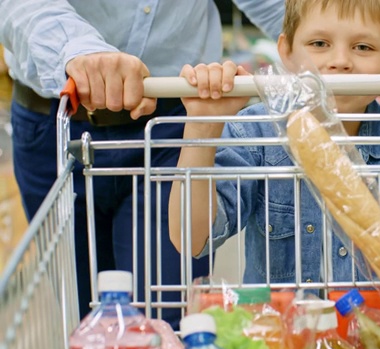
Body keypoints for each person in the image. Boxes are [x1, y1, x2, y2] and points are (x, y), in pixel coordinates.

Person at [0, 0, 285, 326]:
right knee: (86, 323)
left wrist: (335, 54)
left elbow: (281, 8)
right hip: (57, 121)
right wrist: (79, 50)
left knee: (166, 322)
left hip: (174, 126)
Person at [168, 0, 380, 285]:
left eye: (363, 47)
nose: (340, 61)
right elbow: (192, 239)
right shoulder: (257, 132)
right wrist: (202, 126)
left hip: (378, 330)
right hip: (282, 328)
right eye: (319, 43)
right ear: (286, 53)